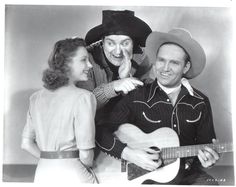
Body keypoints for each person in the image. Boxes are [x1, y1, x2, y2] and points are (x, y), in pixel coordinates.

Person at [95, 28, 220, 185]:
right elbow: (100, 132)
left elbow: (207, 148)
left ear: (186, 67)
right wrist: (130, 154)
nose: (165, 68)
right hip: (145, 179)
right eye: (161, 60)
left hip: (188, 175)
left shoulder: (200, 102)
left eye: (174, 62)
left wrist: (208, 160)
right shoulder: (137, 96)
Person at [21, 38, 98, 183]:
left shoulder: (35, 98)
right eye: (84, 60)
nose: (90, 65)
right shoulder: (84, 97)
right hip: (74, 175)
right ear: (67, 63)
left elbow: (26, 144)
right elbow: (86, 155)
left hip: (42, 174)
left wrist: (50, 160)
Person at [76, 10, 153, 120]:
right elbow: (83, 107)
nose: (118, 52)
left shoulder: (143, 59)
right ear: (102, 42)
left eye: (125, 43)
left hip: (130, 128)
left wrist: (127, 78)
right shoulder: (86, 61)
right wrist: (114, 87)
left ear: (133, 43)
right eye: (111, 43)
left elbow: (148, 103)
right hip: (94, 128)